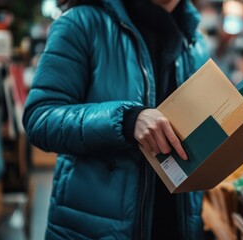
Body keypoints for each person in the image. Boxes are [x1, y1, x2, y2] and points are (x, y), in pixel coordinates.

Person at [23, 0, 209, 239]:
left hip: (177, 224)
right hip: (97, 226)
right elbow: (40, 117)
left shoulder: (194, 42)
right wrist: (126, 120)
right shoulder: (81, 23)